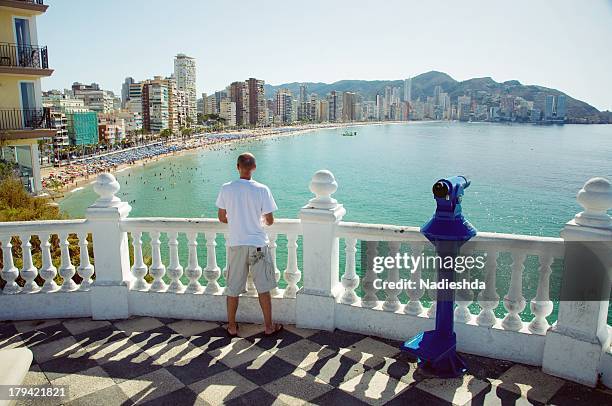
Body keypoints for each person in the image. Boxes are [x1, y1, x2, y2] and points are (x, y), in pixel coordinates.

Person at [216, 152, 283, 337]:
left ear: (237, 167)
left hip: (237, 244)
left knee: (233, 289)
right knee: (263, 288)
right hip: (258, 244)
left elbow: (222, 218)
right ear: (254, 168)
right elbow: (269, 220)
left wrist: (238, 219)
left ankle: (231, 326)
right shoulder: (262, 189)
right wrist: (257, 220)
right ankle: (269, 327)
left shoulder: (226, 188)